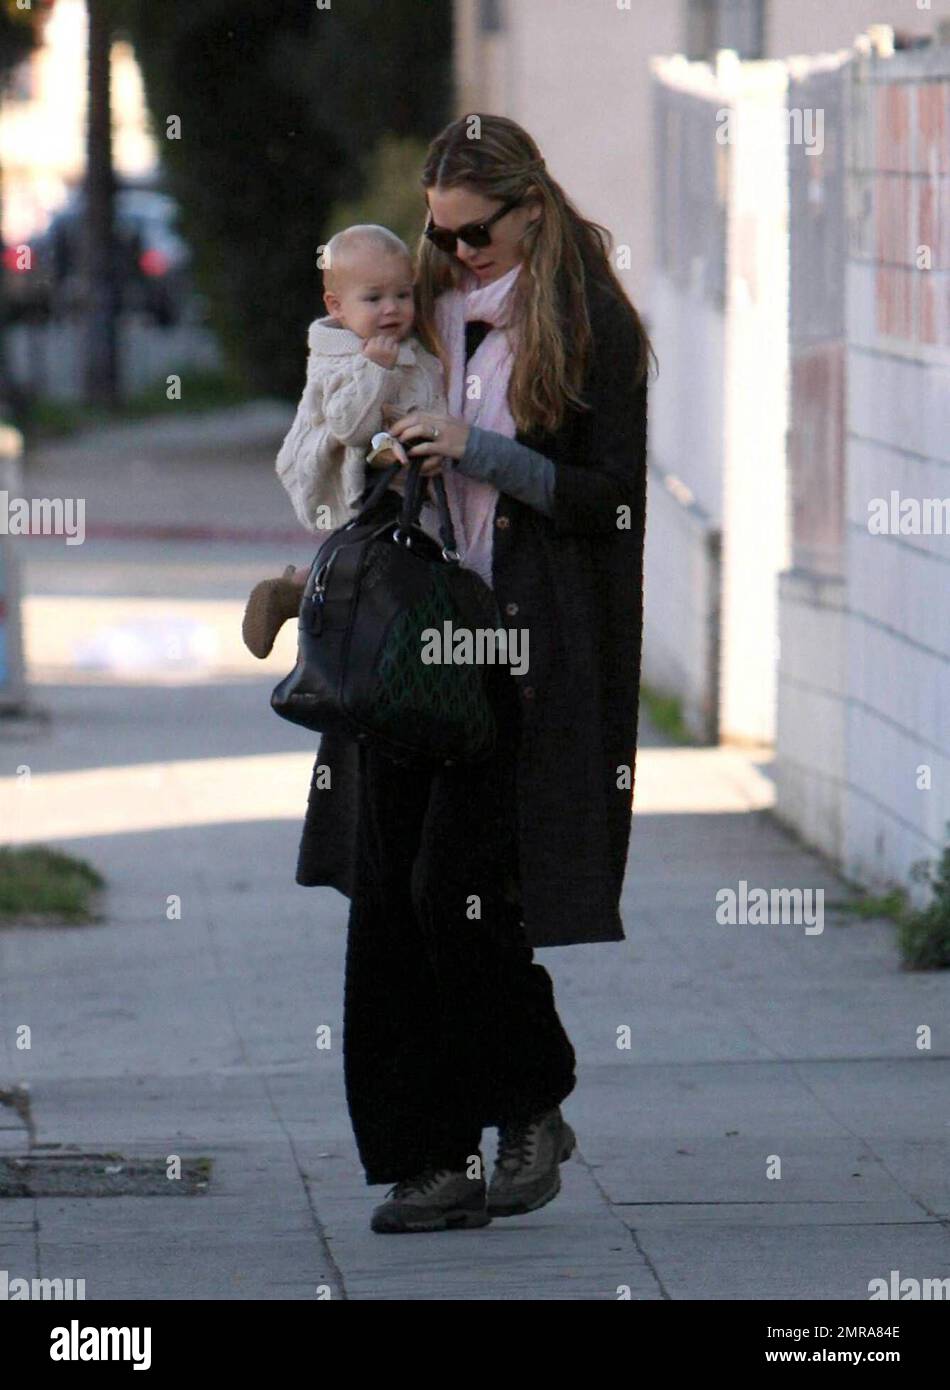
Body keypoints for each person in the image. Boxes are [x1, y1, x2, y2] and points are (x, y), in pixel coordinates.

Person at [283, 113, 654, 1235]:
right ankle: (427, 1161)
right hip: (410, 641)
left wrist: (478, 449)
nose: (454, 256)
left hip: (514, 655)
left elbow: (609, 501)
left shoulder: (592, 328)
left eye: (474, 233)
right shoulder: (417, 317)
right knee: (388, 902)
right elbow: (337, 447)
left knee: (458, 890)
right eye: (438, 236)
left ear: (530, 207)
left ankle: (531, 1097)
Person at [242, 223, 446, 659]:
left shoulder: (415, 354)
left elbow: (434, 404)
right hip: (355, 481)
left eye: (403, 295)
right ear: (337, 306)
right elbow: (348, 426)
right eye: (373, 299)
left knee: (393, 563)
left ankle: (316, 599)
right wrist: (374, 371)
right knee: (363, 558)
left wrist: (435, 443)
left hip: (410, 486)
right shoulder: (340, 359)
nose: (392, 309)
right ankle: (297, 594)